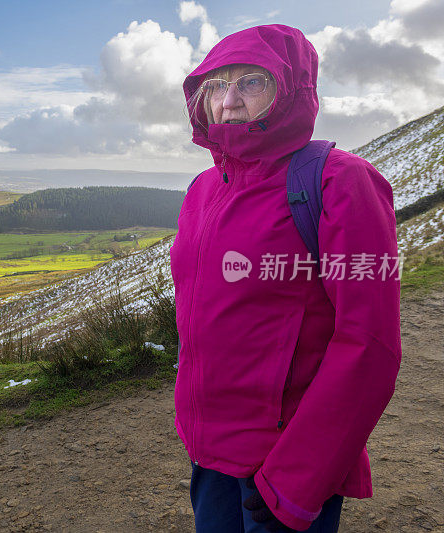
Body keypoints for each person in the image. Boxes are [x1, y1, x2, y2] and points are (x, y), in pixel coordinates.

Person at [170, 24, 401, 532]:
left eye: (251, 82)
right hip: (210, 455)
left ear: (293, 88)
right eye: (215, 85)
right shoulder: (203, 189)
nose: (228, 101)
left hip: (284, 466)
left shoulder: (340, 182)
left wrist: (297, 479)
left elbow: (370, 344)